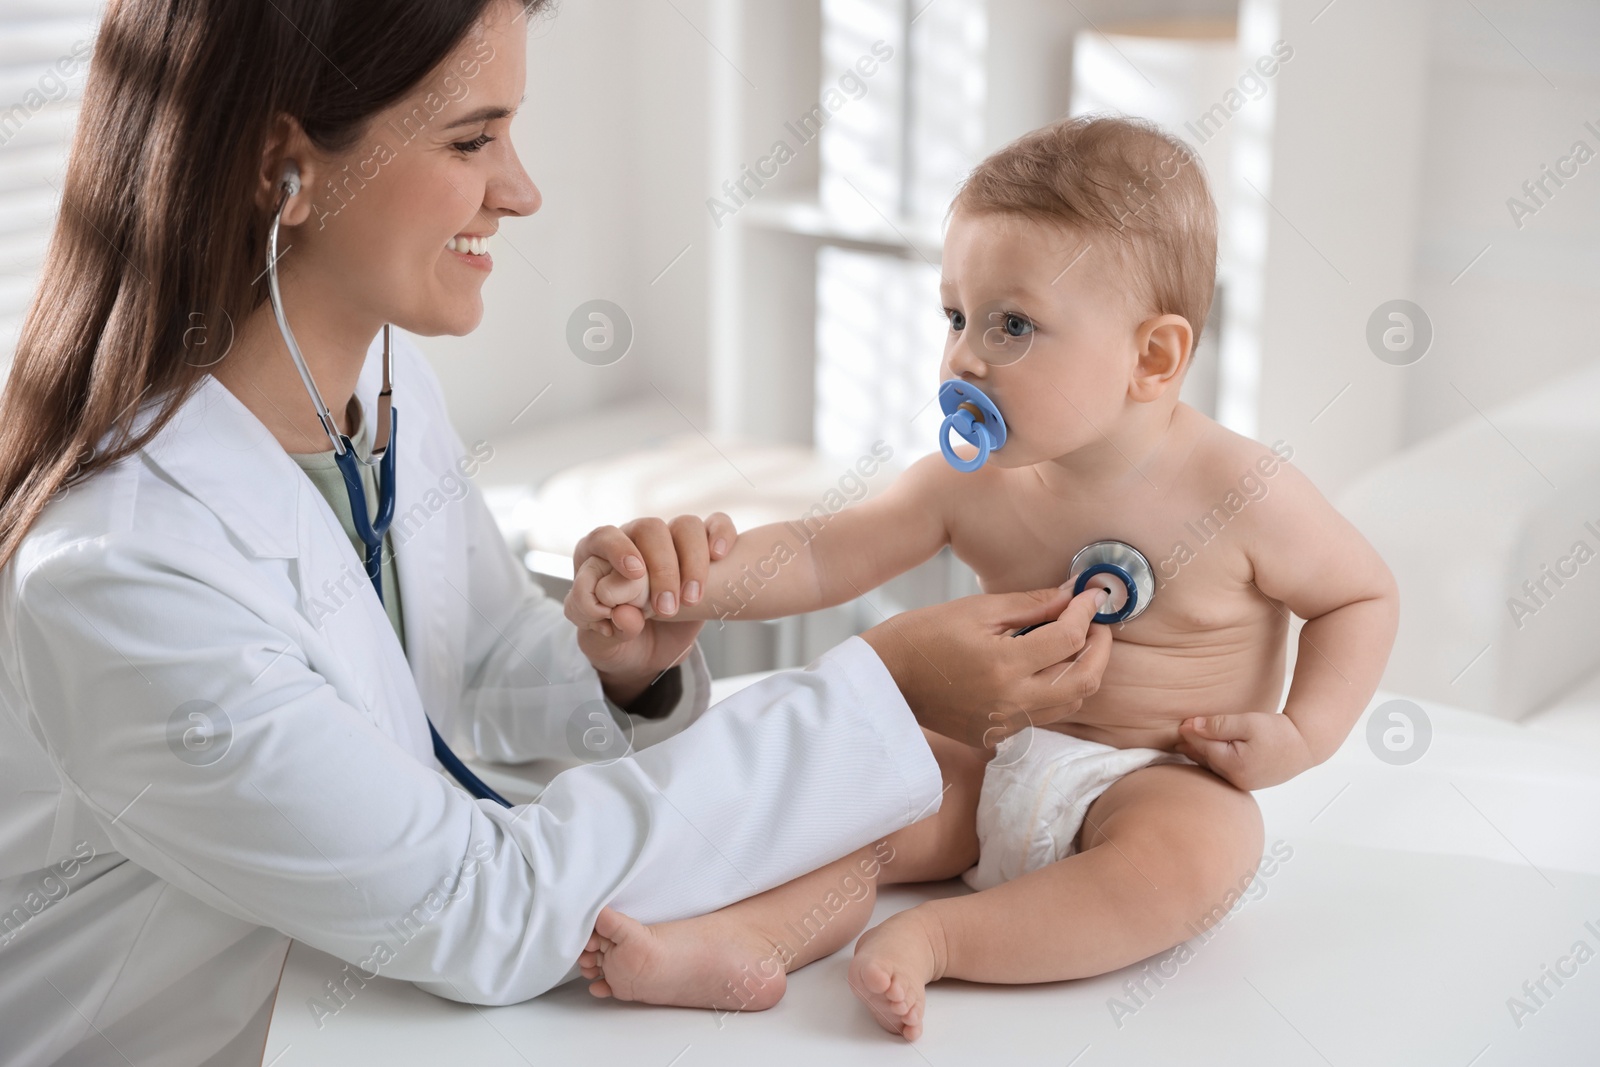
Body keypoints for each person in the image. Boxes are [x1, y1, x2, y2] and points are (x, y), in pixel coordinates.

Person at [0, 3, 1112, 1064]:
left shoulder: (382, 392)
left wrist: (622, 671)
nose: (521, 192)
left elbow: (468, 670)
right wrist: (884, 688)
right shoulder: (122, 573)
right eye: (472, 139)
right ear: (279, 166)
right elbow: (475, 908)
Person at [568, 116, 1400, 1039]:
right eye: (956, 316)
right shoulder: (975, 481)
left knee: (1203, 853)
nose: (964, 356)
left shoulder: (1242, 491)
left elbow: (1359, 595)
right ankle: (745, 943)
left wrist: (1303, 732)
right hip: (990, 760)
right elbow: (823, 548)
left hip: (1161, 772)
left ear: (1152, 357)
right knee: (855, 801)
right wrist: (688, 578)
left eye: (1013, 325)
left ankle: (943, 937)